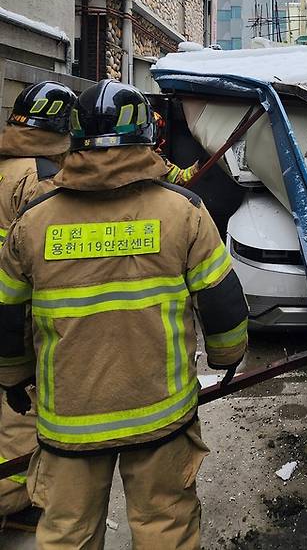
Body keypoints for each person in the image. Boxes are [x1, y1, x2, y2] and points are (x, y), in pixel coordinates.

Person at [0, 80, 248, 549]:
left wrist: (13, 378)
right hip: (161, 416)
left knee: (67, 534)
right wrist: (227, 358)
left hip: (69, 421)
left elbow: (8, 314)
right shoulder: (184, 212)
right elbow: (223, 302)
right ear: (144, 137)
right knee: (165, 527)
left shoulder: (35, 220)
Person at [0, 81, 76, 531]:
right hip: (15, 308)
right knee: (20, 406)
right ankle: (14, 502)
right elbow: (45, 253)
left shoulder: (5, 165)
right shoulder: (41, 177)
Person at [153, 110, 200, 185]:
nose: (162, 140)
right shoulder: (147, 156)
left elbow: (178, 177)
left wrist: (198, 165)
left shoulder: (156, 156)